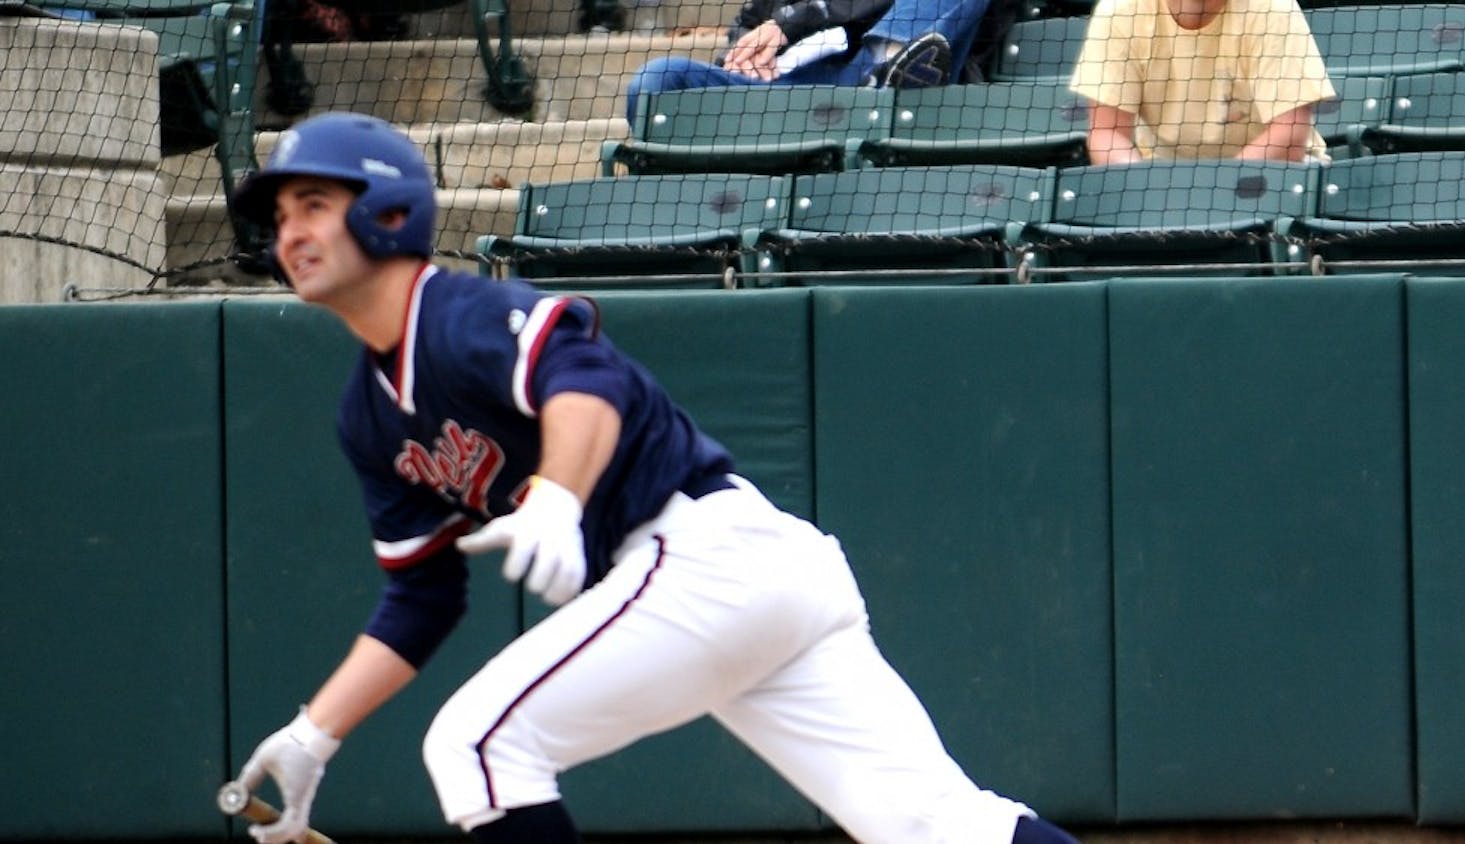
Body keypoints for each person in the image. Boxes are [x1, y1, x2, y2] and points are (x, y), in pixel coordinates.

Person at [224, 110, 1084, 844]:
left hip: (701, 555)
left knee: (479, 747)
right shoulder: (368, 414)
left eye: (314, 204)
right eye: (281, 215)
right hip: (743, 577)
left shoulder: (458, 314)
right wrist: (314, 735)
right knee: (934, 825)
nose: (291, 231)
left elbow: (586, 380)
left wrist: (556, 496)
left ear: (386, 210)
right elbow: (421, 597)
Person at [624, 0, 997, 124]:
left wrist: (796, 20)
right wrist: (743, 57)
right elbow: (750, 22)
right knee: (656, 80)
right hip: (774, 93)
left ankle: (889, 79)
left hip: (853, 84)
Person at [1068, 0, 1337, 164]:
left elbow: (1289, 135)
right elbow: (1107, 134)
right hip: (1164, 180)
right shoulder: (1119, 11)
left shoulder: (1273, 9)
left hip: (1276, 176)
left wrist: (1214, 190)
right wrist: (1141, 186)